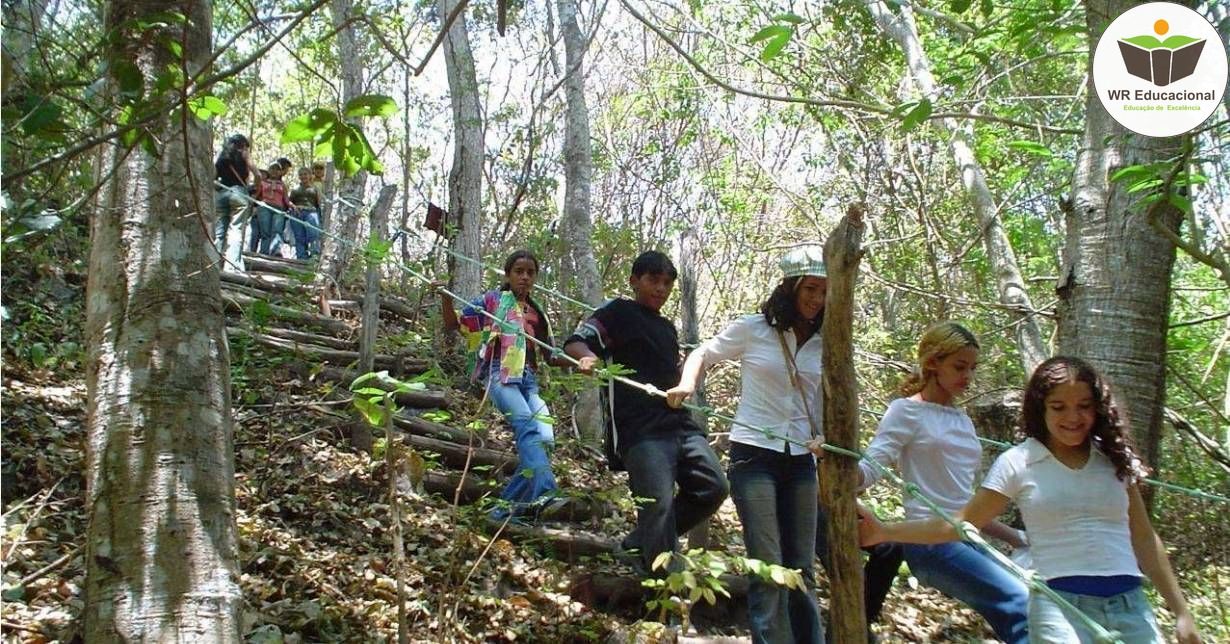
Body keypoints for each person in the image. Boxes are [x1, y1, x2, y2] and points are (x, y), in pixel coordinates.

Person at [860, 357, 1202, 644]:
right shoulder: (1018, 462)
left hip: (1131, 606)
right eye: (1059, 407)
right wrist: (887, 531)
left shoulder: (1113, 458)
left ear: (1098, 408)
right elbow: (961, 522)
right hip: (1059, 607)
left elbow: (1143, 537)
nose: (1073, 417)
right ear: (1041, 409)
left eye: (1084, 406)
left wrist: (1182, 611)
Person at [666, 246, 827, 643]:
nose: (816, 298)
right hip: (754, 455)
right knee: (767, 562)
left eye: (825, 290)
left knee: (802, 566)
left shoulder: (830, 341)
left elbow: (830, 397)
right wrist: (688, 383)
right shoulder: (756, 328)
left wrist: (826, 438)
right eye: (810, 288)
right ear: (790, 287)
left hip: (803, 460)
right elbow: (704, 352)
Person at [855, 322, 1030, 643]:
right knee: (1020, 603)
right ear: (933, 363)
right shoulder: (906, 411)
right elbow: (873, 465)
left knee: (1038, 605)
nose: (968, 376)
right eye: (959, 366)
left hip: (966, 538)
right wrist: (843, 472)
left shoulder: (962, 419)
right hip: (929, 543)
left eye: (972, 368)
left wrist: (1017, 537)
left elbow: (967, 504)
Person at [564, 251, 728, 574]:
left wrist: (690, 372)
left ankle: (639, 541)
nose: (661, 289)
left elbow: (668, 373)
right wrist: (587, 358)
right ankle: (665, 592)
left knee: (714, 487)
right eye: (654, 280)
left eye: (667, 283)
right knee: (658, 504)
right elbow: (576, 342)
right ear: (634, 281)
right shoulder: (617, 312)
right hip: (640, 429)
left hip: (679, 423)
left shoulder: (667, 328)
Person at [441, 250, 568, 522]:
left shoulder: (536, 312)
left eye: (530, 272)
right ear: (508, 275)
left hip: (529, 381)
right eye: (518, 271)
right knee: (527, 427)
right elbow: (454, 324)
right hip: (501, 374)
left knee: (545, 440)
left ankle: (503, 512)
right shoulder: (492, 300)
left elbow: (551, 356)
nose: (524, 277)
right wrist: (444, 296)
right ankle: (546, 493)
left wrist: (584, 360)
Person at [213, 133, 252, 272]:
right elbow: (258, 175)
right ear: (243, 146)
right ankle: (232, 266)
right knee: (236, 230)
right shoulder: (244, 156)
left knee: (219, 232)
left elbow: (213, 177)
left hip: (222, 195)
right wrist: (256, 189)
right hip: (239, 193)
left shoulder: (222, 158)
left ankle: (213, 264)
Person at [251, 161, 292, 256]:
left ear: (280, 172)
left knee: (277, 230)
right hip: (264, 207)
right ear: (269, 170)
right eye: (272, 169)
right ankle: (264, 253)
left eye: (277, 169)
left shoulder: (282, 185)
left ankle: (275, 251)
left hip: (278, 209)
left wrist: (293, 206)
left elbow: (286, 200)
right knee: (265, 231)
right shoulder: (262, 182)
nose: (274, 171)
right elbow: (256, 195)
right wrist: (252, 206)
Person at [288, 167, 321, 259]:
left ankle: (314, 254)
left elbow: (319, 203)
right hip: (297, 213)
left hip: (311, 212)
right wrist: (294, 207)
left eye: (305, 174)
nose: (303, 176)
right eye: (301, 174)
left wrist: (319, 215)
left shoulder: (315, 188)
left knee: (313, 233)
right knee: (299, 235)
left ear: (310, 175)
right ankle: (301, 256)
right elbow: (289, 201)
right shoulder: (295, 189)